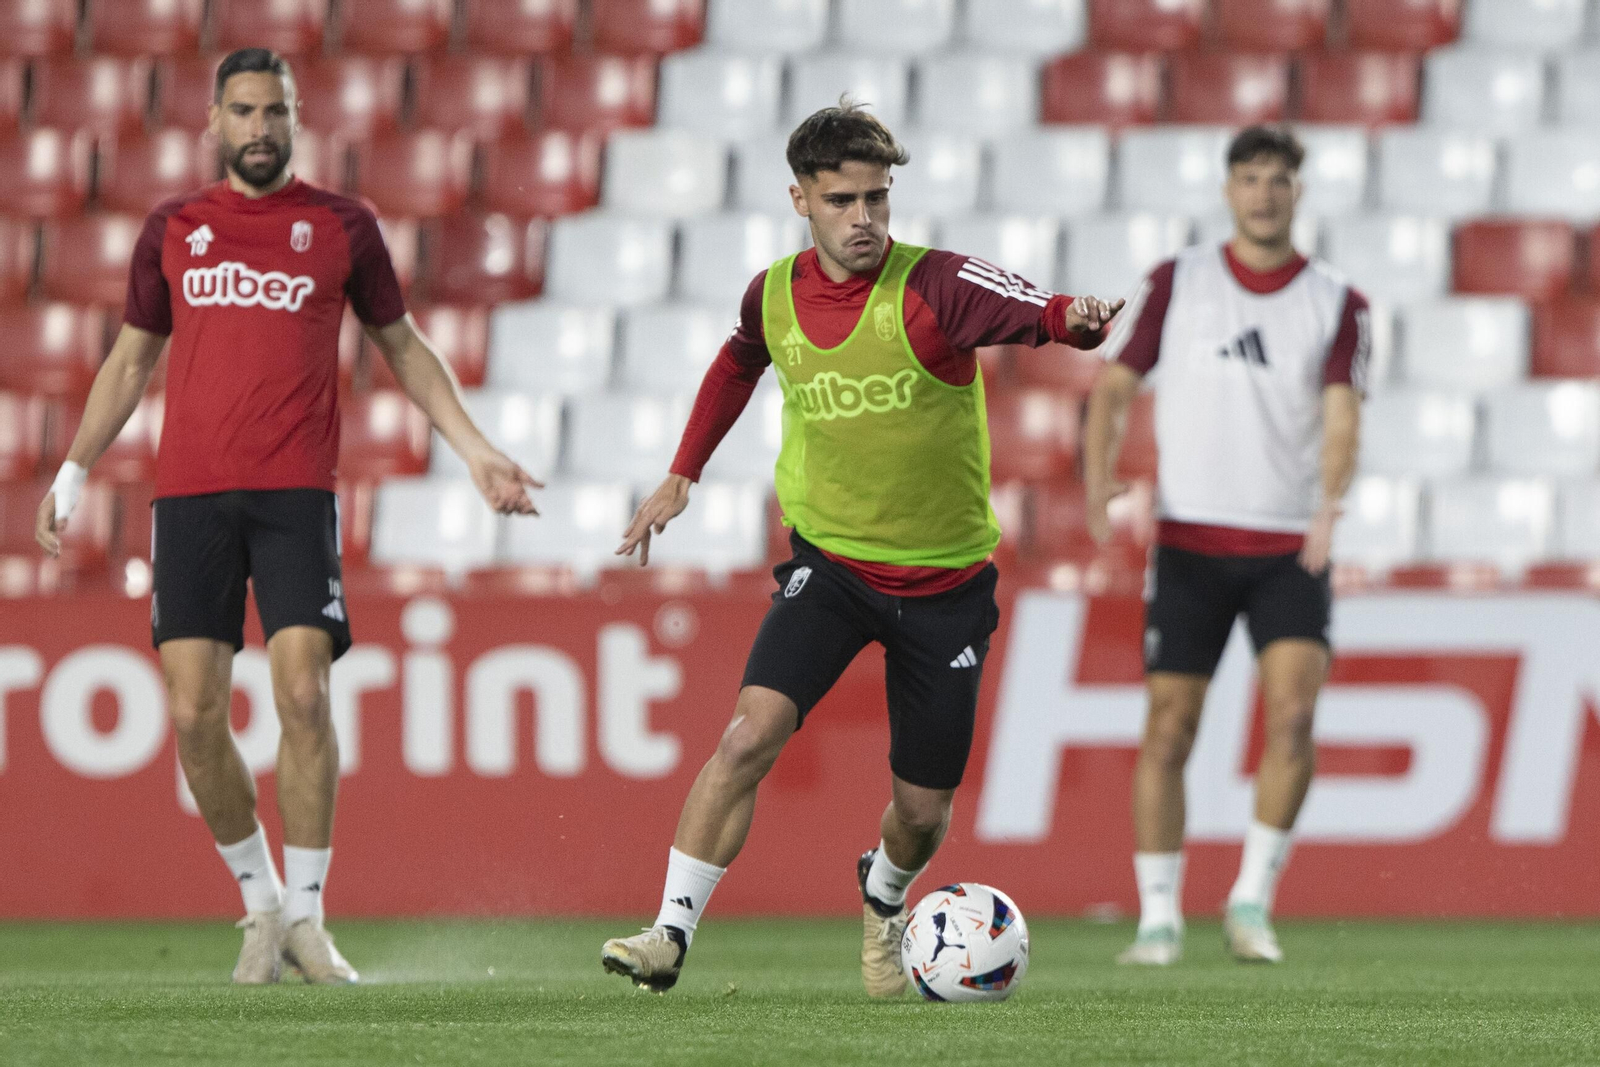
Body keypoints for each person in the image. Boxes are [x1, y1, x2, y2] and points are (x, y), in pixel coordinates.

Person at [34, 48, 538, 984]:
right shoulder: (174, 228)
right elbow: (129, 361)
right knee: (191, 711)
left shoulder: (343, 225)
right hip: (189, 496)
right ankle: (260, 900)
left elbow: (406, 346)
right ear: (215, 122)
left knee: (303, 690)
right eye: (244, 111)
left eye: (275, 111)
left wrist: (474, 450)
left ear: (296, 118)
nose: (260, 128)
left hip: (295, 491)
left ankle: (308, 916)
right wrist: (71, 471)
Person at [599, 99, 1122, 996]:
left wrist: (1076, 317)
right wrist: (682, 472)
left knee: (921, 815)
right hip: (831, 565)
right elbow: (737, 360)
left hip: (945, 587)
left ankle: (883, 897)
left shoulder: (933, 287)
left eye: (878, 198)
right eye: (843, 200)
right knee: (747, 734)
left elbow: (1032, 307)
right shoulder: (772, 294)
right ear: (800, 198)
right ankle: (668, 934)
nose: (866, 219)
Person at [1083, 125, 1368, 966]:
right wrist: (1097, 474)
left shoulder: (1337, 301)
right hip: (1191, 540)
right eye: (1249, 177)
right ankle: (1159, 915)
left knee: (1293, 717)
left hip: (1288, 544)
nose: (1264, 193)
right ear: (1228, 188)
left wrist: (1329, 505)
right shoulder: (1179, 282)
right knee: (1170, 727)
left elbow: (1345, 415)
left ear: (1298, 192)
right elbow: (1115, 382)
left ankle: (1251, 899)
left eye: (1279, 178)